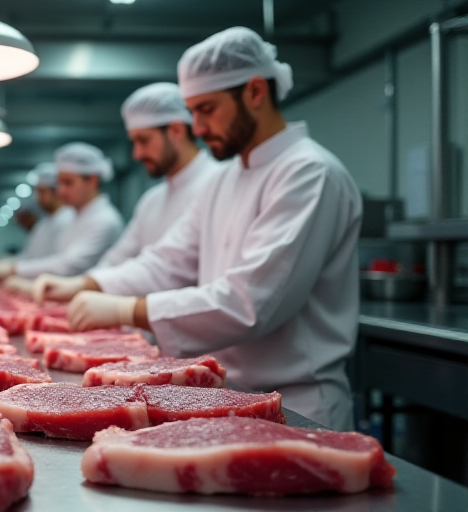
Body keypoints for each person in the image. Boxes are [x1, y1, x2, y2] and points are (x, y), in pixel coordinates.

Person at [37, 27, 363, 431]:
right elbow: (168, 260)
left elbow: (251, 302)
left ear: (256, 92)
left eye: (207, 109)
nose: (197, 126)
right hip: (229, 393)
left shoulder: (308, 173)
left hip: (299, 403)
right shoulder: (226, 179)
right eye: (192, 111)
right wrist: (89, 283)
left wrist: (130, 309)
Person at [93, 82, 223, 269]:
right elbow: (118, 259)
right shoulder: (151, 200)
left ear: (176, 131)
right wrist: (83, 284)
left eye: (143, 141)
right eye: (134, 143)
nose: (137, 154)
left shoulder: (216, 183)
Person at [0, 143, 123, 289]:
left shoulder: (105, 220)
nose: (61, 191)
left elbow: (68, 265)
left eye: (68, 183)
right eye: (60, 183)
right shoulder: (74, 218)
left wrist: (13, 269)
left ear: (92, 181)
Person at [17, 163, 75, 260]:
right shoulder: (44, 223)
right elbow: (30, 256)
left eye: (42, 192)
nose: (37, 197)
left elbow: (60, 261)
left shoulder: (68, 220)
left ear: (57, 192)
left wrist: (14, 269)